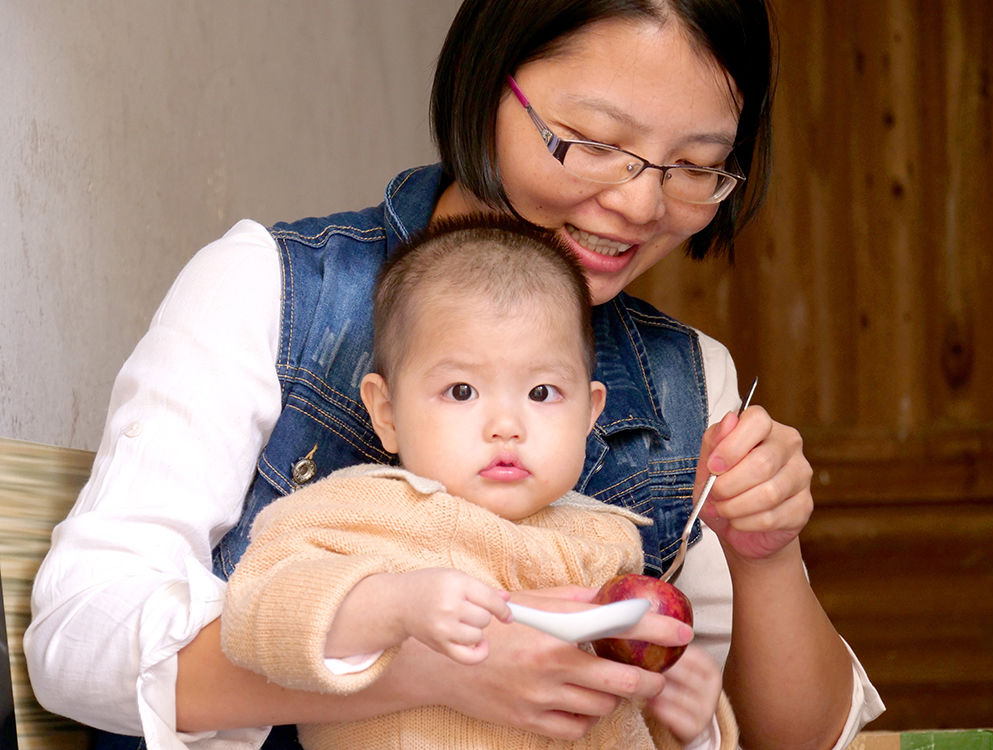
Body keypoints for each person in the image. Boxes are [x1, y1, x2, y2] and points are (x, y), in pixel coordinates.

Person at [25, 1, 885, 749]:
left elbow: (800, 741)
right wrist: (421, 671)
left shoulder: (687, 382)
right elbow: (76, 641)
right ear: (486, 83)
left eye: (696, 166)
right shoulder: (276, 291)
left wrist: (766, 556)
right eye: (594, 141)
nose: (639, 204)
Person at [220, 214, 739, 750]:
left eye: (542, 393)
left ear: (590, 413)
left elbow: (619, 720)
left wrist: (686, 719)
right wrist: (391, 606)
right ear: (387, 412)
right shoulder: (355, 512)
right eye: (462, 391)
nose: (506, 426)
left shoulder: (609, 544)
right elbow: (253, 612)